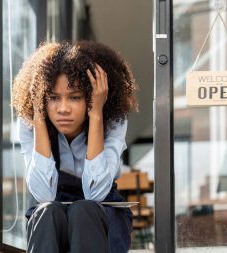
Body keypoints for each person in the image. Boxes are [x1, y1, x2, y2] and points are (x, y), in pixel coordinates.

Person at [12, 41, 138, 253]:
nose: (63, 109)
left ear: (92, 96)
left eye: (74, 97)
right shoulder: (29, 123)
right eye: (53, 98)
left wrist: (96, 114)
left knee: (84, 210)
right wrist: (39, 119)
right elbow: (44, 194)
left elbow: (95, 193)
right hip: (54, 212)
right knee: (47, 211)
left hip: (102, 210)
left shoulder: (113, 121)